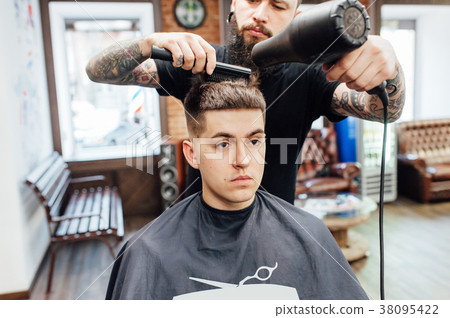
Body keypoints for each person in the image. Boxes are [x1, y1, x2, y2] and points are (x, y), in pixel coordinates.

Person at [86, 0, 405, 204]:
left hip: (277, 226)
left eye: (278, 6)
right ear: (234, 4)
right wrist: (147, 43)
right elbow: (98, 72)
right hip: (201, 224)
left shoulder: (309, 76)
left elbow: (386, 110)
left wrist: (390, 69)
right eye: (252, 0)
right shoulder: (197, 62)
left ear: (295, 18)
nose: (260, 14)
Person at [105, 78, 368, 300]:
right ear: (192, 154)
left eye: (254, 141)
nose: (243, 159)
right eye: (222, 144)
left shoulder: (311, 234)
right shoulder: (147, 250)